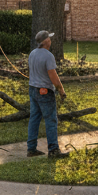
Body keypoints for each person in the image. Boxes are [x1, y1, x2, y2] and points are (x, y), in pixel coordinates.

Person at [26, 30, 69, 158]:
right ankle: (53, 150)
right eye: (49, 39)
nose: (51, 41)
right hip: (44, 91)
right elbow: (53, 76)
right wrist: (61, 90)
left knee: (34, 119)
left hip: (33, 89)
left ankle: (31, 149)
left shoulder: (32, 54)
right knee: (51, 120)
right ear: (46, 42)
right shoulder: (48, 56)